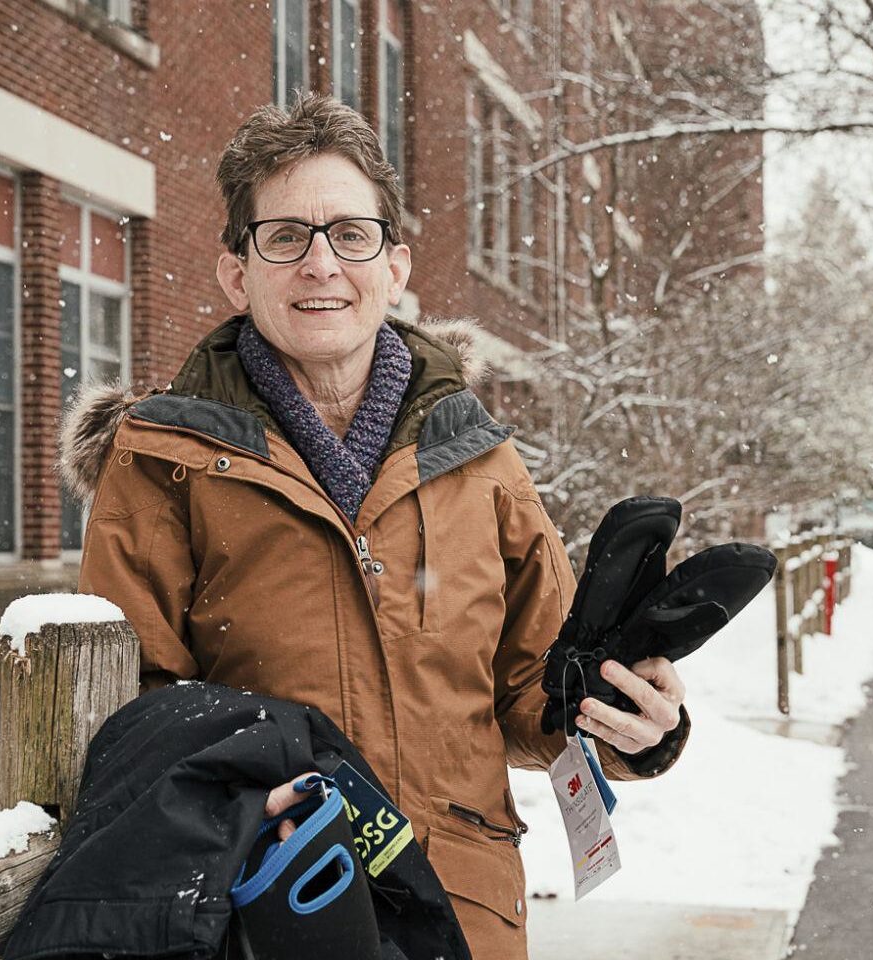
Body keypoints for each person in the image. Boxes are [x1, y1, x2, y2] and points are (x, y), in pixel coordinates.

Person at [61, 94, 690, 959]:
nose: (320, 264)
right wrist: (238, 810)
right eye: (286, 237)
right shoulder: (163, 460)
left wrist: (623, 719)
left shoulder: (478, 458)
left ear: (394, 269)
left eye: (350, 235)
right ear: (236, 275)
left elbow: (529, 691)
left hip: (465, 914)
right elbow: (130, 715)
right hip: (268, 910)